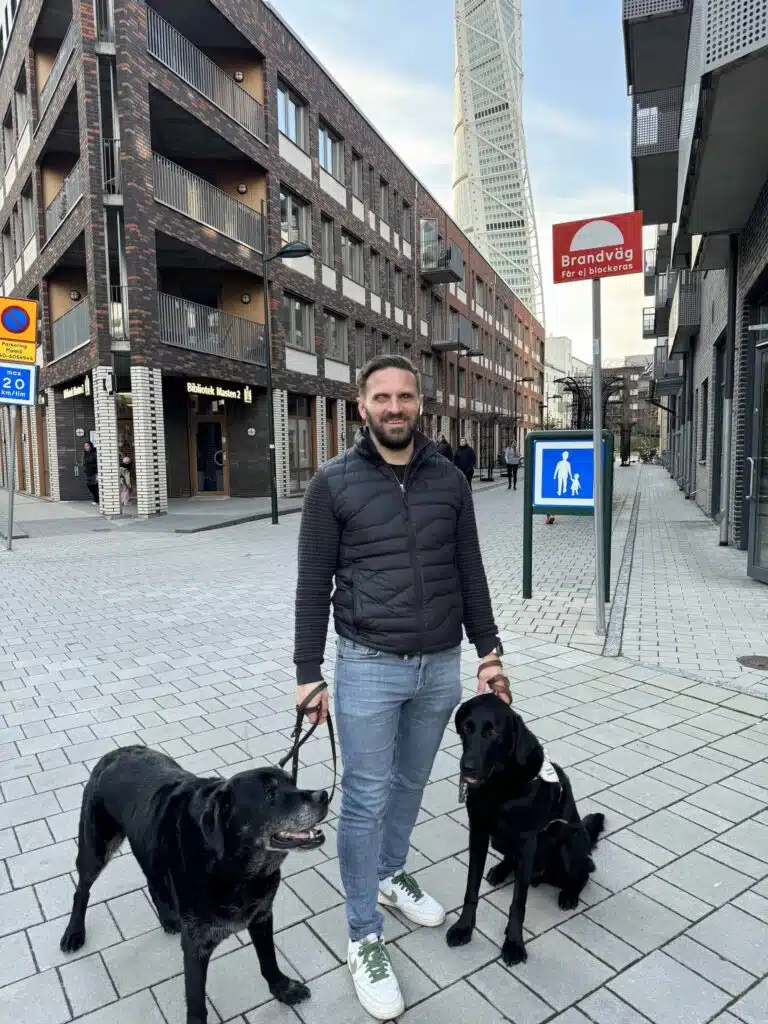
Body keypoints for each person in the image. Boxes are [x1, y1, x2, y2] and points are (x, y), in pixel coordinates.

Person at [294, 354, 505, 1020]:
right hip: (366, 664)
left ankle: (388, 876)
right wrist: (307, 673)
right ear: (361, 405)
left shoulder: (448, 479)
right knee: (364, 796)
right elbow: (311, 585)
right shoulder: (333, 484)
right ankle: (362, 935)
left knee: (412, 784)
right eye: (381, 396)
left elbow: (469, 569)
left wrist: (489, 652)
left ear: (421, 403)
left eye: (404, 397)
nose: (394, 407)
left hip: (440, 665)